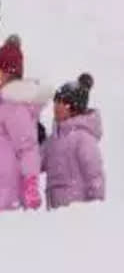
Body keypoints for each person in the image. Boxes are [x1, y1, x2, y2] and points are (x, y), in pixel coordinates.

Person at [0, 35, 50, 210]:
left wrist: (31, 182)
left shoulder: (14, 107)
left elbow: (27, 147)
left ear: (9, 74)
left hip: (7, 191)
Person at [43, 73, 104, 208]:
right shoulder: (53, 140)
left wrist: (96, 207)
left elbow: (95, 176)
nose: (56, 106)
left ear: (75, 109)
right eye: (56, 101)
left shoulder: (83, 139)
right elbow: (35, 162)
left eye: (62, 103)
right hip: (54, 212)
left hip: (77, 213)